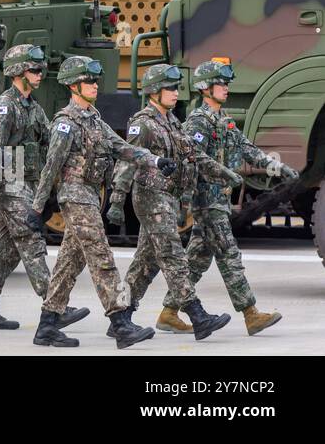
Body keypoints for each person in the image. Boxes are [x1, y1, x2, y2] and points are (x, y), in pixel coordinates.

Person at [30, 55, 175, 349]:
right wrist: (38, 206)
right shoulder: (65, 123)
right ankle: (120, 323)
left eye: (95, 81)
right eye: (88, 81)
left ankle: (46, 326)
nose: (95, 85)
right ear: (73, 86)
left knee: (69, 263)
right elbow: (51, 166)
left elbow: (122, 147)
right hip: (75, 198)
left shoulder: (94, 119)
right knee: (102, 259)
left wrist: (155, 160)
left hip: (90, 197)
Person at [155, 60, 297, 336]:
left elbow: (247, 149)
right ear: (205, 88)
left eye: (226, 83)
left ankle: (169, 312)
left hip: (219, 200)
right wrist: (214, 181)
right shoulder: (198, 122)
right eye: (220, 83)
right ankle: (251, 314)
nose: (226, 87)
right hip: (207, 201)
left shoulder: (224, 120)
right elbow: (193, 159)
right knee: (229, 256)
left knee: (196, 260)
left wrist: (278, 167)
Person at [110, 63, 243, 341]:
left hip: (167, 198)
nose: (175, 92)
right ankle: (197, 315)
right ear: (154, 92)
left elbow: (193, 155)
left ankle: (120, 315)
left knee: (145, 263)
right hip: (150, 198)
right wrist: (116, 200)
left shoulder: (172, 122)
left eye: (175, 87)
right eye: (169, 88)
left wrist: (223, 173)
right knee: (173, 255)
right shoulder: (142, 123)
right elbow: (127, 161)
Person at [0, 44, 89, 332]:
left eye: (40, 69)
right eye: (34, 70)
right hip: (9, 183)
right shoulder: (5, 107)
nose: (40, 74)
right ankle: (55, 305)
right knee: (31, 239)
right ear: (17, 72)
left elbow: (49, 140)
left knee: (6, 251)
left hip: (28, 182)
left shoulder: (33, 107)